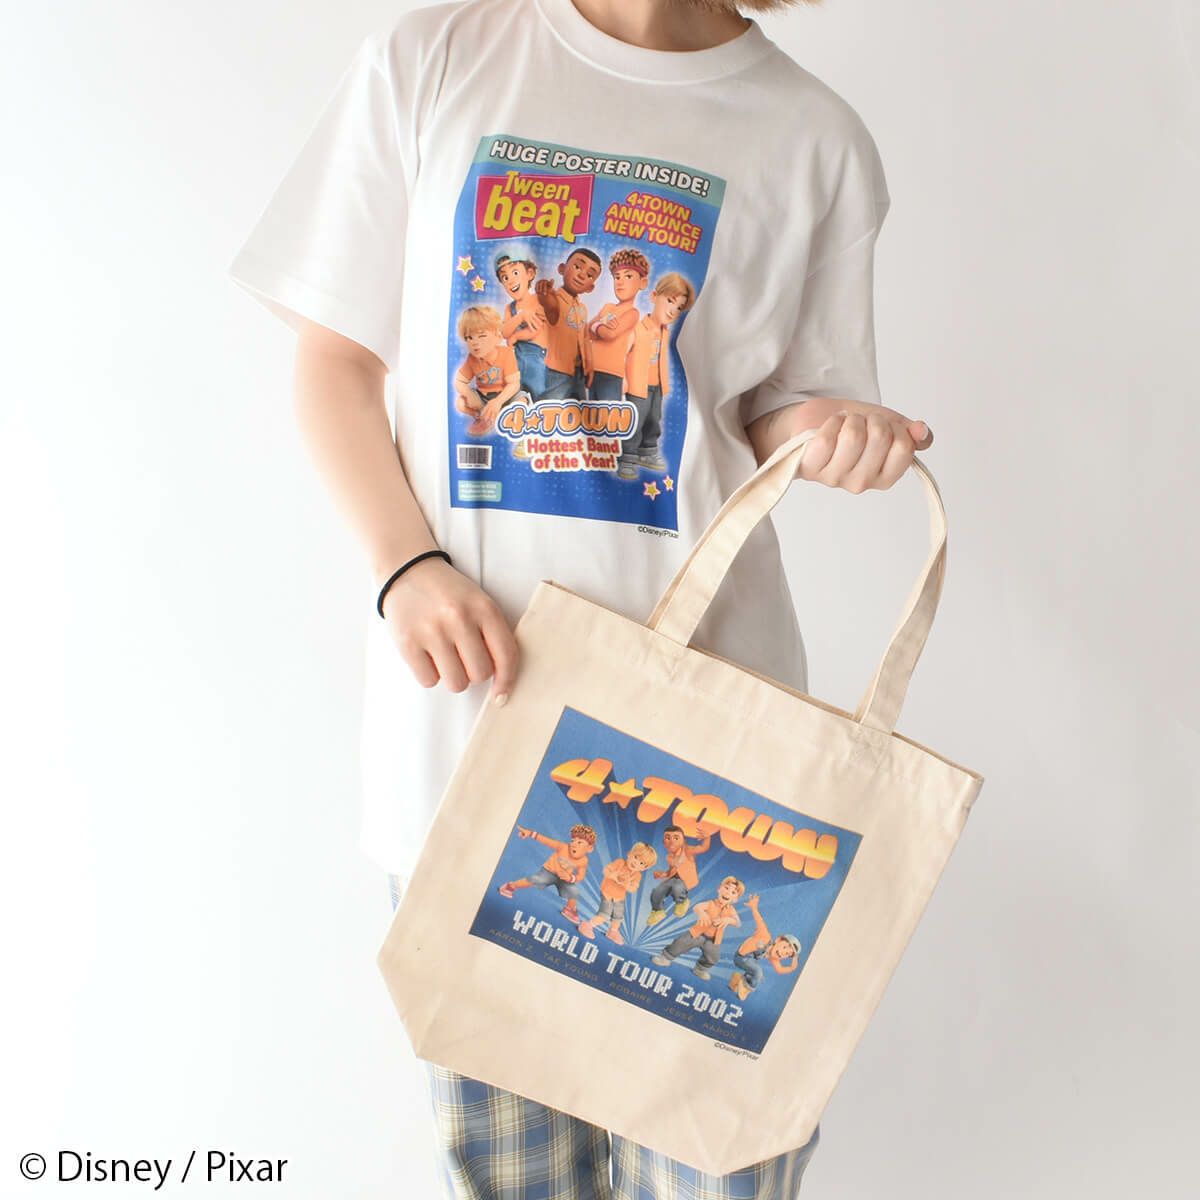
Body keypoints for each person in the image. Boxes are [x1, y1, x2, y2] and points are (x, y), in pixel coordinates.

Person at [229, 1, 934, 1195]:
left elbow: (775, 409)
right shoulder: (436, 61)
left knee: (722, 1167)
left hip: (711, 760)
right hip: (474, 736)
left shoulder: (815, 136)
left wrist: (833, 431)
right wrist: (407, 567)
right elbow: (335, 359)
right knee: (517, 1178)